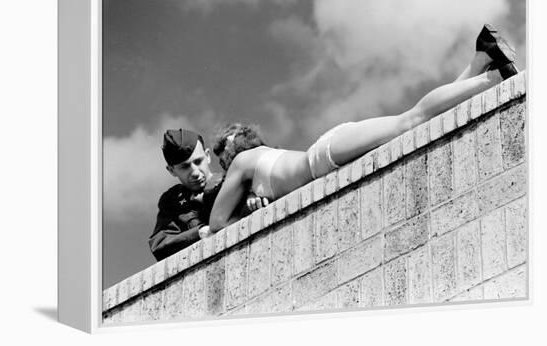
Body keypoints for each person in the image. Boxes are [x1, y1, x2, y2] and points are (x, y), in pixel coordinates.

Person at [203, 24, 519, 234]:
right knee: (416, 123)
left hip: (322, 158)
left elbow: (217, 223)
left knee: (410, 121)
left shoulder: (243, 163)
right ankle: (481, 58)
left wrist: (240, 217)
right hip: (327, 149)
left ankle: (492, 79)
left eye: (223, 157)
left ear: (233, 147)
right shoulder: (261, 161)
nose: (224, 164)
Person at [148, 128, 268, 260]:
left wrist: (253, 199)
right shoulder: (172, 201)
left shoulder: (232, 181)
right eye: (185, 167)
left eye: (198, 161)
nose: (195, 172)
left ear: (208, 156)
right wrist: (200, 233)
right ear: (171, 170)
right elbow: (160, 244)